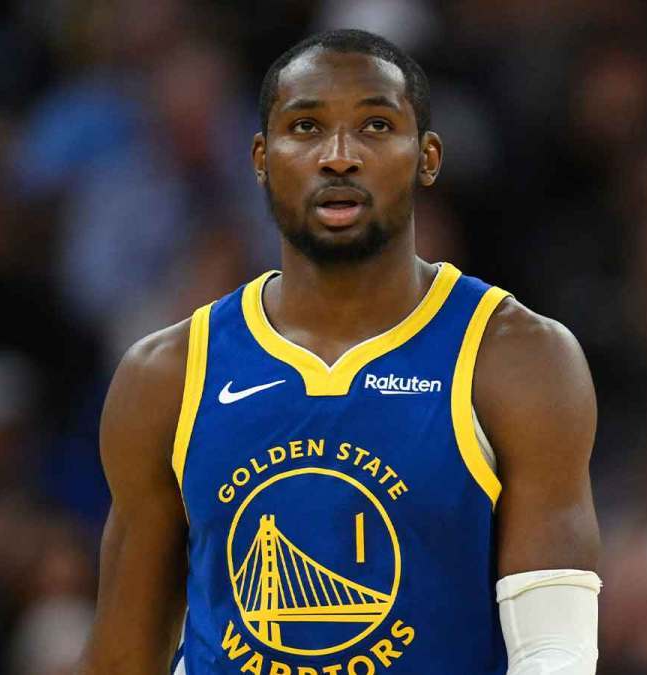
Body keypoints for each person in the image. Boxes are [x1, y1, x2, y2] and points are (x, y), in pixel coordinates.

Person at [78, 29, 601, 675]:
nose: (339, 156)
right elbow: (121, 659)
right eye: (306, 127)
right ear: (261, 158)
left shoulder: (518, 357)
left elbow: (555, 651)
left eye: (376, 126)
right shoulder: (165, 373)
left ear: (428, 157)